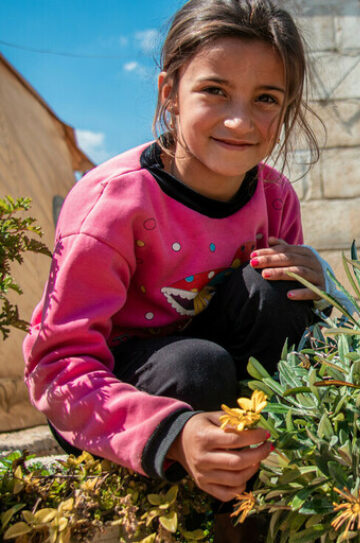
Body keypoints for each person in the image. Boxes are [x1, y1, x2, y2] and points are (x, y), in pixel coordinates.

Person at [22, 1, 340, 539]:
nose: (240, 120)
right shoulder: (113, 203)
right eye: (215, 90)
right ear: (170, 92)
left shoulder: (274, 195)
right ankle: (211, 523)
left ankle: (261, 502)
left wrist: (318, 283)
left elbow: (283, 331)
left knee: (276, 291)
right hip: (113, 403)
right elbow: (57, 365)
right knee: (197, 366)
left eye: (266, 99)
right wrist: (173, 431)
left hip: (219, 381)